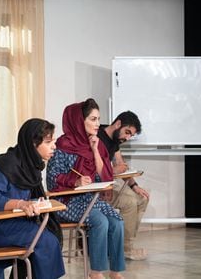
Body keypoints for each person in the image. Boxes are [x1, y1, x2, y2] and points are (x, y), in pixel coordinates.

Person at [0, 118, 65, 278]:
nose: (54, 146)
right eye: (48, 142)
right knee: (47, 242)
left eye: (53, 141)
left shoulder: (28, 165)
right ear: (33, 144)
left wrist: (33, 202)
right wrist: (22, 203)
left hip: (6, 222)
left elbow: (18, 195)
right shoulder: (7, 164)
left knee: (47, 236)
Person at [46, 98, 125, 279]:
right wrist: (75, 181)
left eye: (98, 119)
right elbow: (52, 179)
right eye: (93, 119)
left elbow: (103, 176)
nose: (98, 124)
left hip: (89, 200)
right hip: (66, 202)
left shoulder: (93, 144)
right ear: (78, 121)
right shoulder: (61, 147)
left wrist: (95, 150)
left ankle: (115, 271)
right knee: (100, 221)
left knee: (117, 220)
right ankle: (95, 273)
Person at [97, 111, 149, 261]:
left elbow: (120, 164)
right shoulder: (97, 138)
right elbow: (92, 172)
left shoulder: (115, 140)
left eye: (130, 135)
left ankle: (125, 246)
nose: (127, 138)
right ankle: (125, 249)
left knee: (142, 198)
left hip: (108, 184)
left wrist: (134, 186)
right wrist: (113, 171)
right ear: (118, 124)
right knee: (130, 202)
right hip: (96, 189)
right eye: (127, 132)